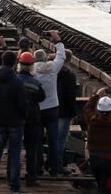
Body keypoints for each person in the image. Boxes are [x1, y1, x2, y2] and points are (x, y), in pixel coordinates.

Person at [0, 50, 28, 194]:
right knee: (15, 155)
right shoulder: (17, 81)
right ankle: (14, 187)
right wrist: (23, 117)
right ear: (14, 63)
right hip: (15, 122)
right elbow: (22, 104)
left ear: (2, 61)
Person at [31, 33, 66, 176]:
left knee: (38, 139)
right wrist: (58, 41)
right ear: (45, 58)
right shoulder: (52, 68)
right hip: (52, 108)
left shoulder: (31, 71)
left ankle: (38, 168)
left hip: (37, 109)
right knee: (53, 139)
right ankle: (54, 168)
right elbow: (61, 56)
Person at [14, 51, 46, 185]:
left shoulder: (15, 81)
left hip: (16, 118)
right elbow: (42, 97)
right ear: (32, 66)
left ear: (19, 65)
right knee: (31, 148)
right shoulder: (35, 83)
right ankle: (31, 177)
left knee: (14, 148)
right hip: (32, 118)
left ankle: (13, 175)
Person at [54, 54, 78, 177]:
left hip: (52, 109)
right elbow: (71, 96)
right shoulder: (70, 75)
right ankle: (59, 166)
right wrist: (73, 112)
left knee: (53, 139)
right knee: (61, 140)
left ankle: (53, 164)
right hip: (64, 112)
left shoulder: (52, 72)